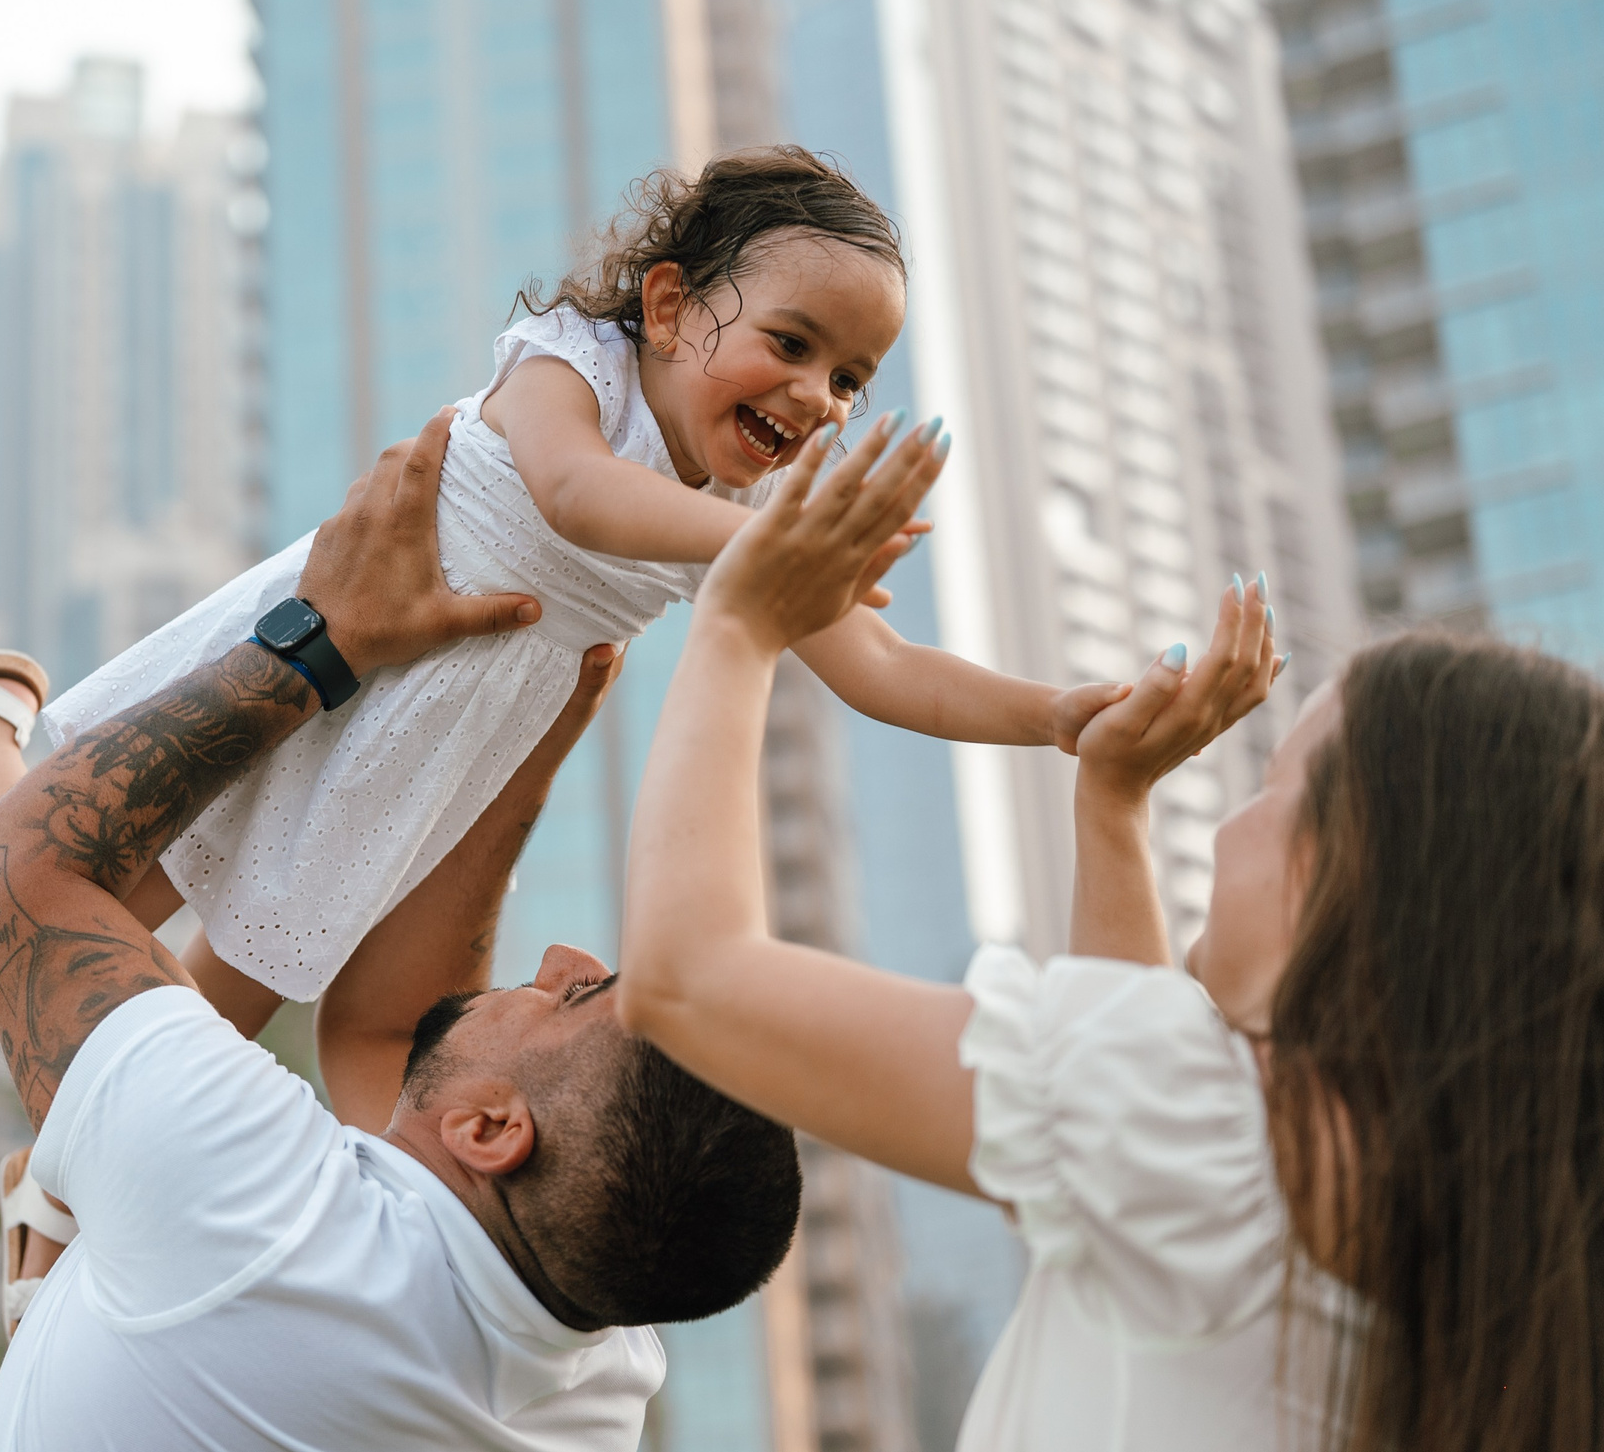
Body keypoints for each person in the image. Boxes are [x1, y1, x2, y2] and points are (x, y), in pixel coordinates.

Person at [0, 409, 946, 1450]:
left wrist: (322, 643)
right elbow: (389, 1033)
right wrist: (524, 735)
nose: (564, 957)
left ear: (489, 1132)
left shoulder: (262, 1220)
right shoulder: (578, 1365)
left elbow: (18, 871)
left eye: (578, 996)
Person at [0, 147, 1125, 1055]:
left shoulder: (738, 532)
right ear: (664, 306)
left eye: (853, 380)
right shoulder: (572, 363)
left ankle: (66, 1193)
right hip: (323, 645)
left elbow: (882, 667)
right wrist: (776, 556)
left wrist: (1063, 715)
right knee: (56, 892)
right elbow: (575, 493)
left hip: (433, 736)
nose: (820, 398)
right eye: (794, 344)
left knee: (225, 999)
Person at [613, 429, 1604, 1448]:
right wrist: (1112, 802)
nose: (1226, 828)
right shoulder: (1458, 1278)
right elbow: (1126, 1137)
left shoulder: (1219, 1162)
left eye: (1271, 791)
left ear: (1354, 867)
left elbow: (688, 978)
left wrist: (738, 618)